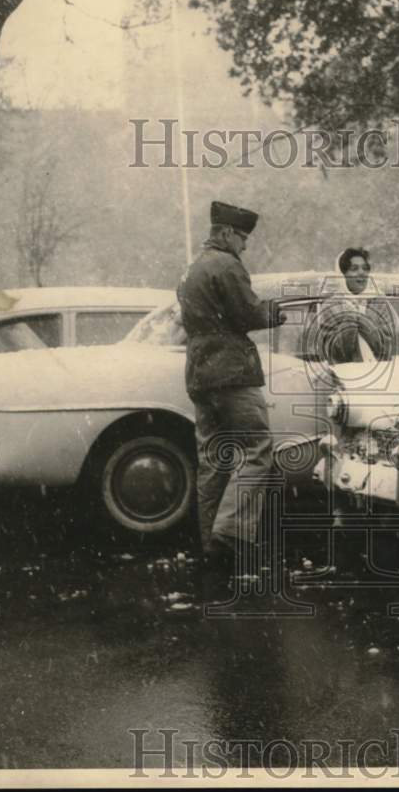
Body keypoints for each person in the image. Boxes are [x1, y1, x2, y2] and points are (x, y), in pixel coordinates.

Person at [178, 201, 286, 596]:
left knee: (213, 459)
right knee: (258, 450)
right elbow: (248, 314)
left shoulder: (192, 269)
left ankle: (210, 545)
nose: (245, 245)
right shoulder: (227, 265)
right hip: (232, 372)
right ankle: (228, 535)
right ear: (225, 233)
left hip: (199, 373)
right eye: (242, 237)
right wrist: (275, 312)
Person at [315, 247, 398, 364]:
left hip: (381, 369)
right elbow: (333, 353)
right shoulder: (330, 307)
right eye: (354, 269)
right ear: (343, 275)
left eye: (365, 268)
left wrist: (362, 320)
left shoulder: (379, 303)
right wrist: (349, 320)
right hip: (345, 372)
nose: (361, 273)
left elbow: (388, 347)